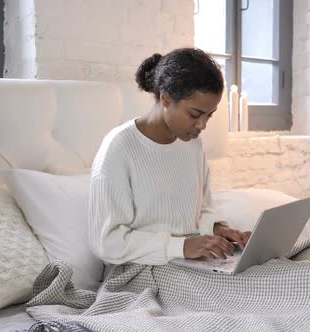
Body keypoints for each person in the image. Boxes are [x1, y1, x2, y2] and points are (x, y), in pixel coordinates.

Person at [88, 48, 251, 266]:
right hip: (142, 269)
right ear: (165, 98)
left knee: (282, 267)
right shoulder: (119, 148)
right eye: (194, 114)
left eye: (209, 115)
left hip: (192, 262)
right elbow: (107, 242)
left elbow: (202, 210)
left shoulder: (192, 143)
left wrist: (220, 231)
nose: (202, 125)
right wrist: (181, 246)